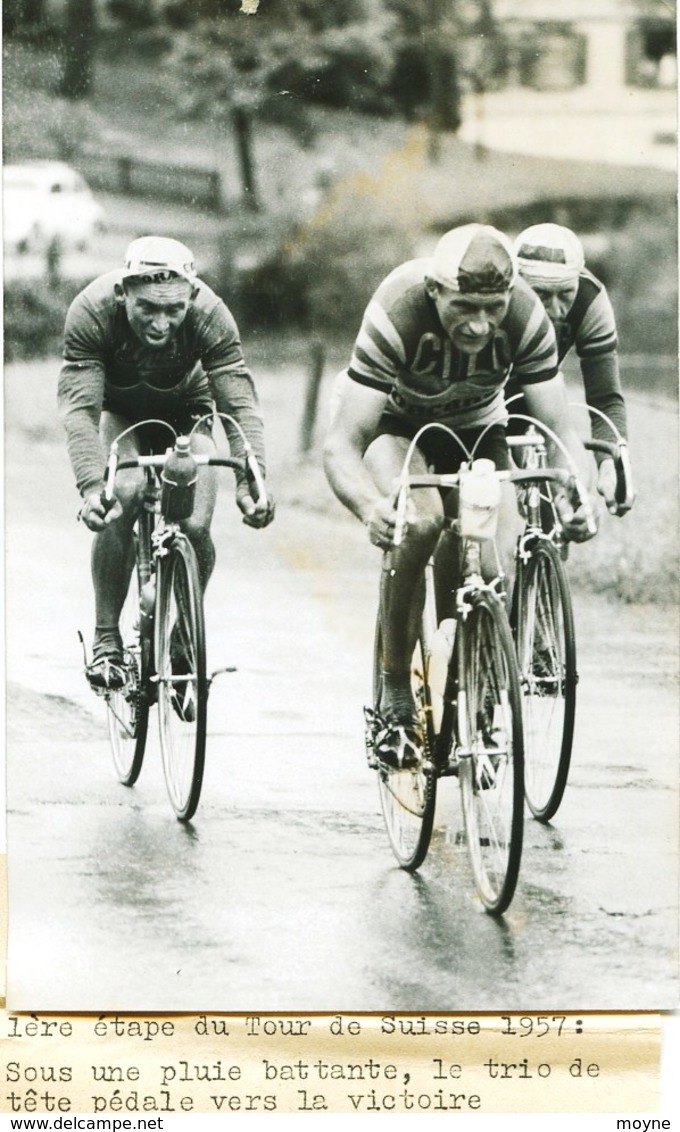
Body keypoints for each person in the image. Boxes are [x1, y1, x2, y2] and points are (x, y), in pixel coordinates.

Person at [323, 223, 597, 768]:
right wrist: (369, 507)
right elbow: (341, 444)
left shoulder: (524, 313)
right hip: (394, 425)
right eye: (465, 307)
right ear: (435, 291)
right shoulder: (399, 307)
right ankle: (394, 694)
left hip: (478, 425)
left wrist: (578, 493)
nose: (479, 324)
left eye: (492, 308)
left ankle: (476, 700)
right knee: (421, 522)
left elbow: (562, 433)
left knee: (489, 561)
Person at [58, 235, 275, 691]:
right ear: (123, 293)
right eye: (147, 310)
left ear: (191, 297)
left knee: (194, 526)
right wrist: (91, 487)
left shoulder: (210, 313)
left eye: (174, 310)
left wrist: (251, 475)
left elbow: (237, 402)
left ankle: (181, 641)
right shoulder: (92, 311)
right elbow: (80, 411)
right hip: (121, 414)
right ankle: (106, 641)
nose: (161, 323)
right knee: (126, 493)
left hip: (188, 409)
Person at [511, 222, 633, 516]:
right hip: (488, 389)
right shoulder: (498, 296)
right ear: (516, 282)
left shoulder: (591, 299)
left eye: (565, 293)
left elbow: (605, 397)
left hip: (540, 387)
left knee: (563, 489)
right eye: (540, 295)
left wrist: (611, 463)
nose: (555, 310)